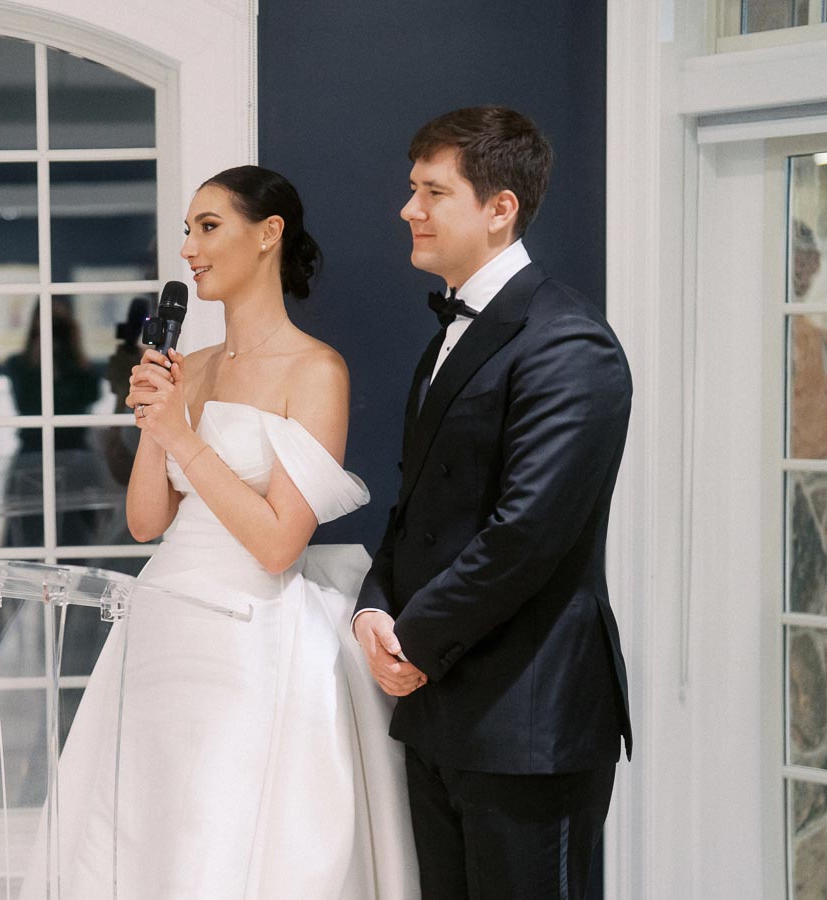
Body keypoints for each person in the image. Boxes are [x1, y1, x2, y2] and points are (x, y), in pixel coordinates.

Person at [18, 166, 418, 900]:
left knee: (219, 830)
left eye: (208, 227)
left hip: (248, 635)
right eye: (187, 231)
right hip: (162, 621)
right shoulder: (188, 366)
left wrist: (182, 436)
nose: (190, 249)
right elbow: (146, 523)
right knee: (141, 831)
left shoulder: (316, 369)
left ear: (269, 235)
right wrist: (154, 421)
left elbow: (277, 544)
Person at [352, 107, 633, 899]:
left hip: (529, 718)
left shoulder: (569, 341)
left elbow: (527, 534)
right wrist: (373, 608)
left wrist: (412, 639)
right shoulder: (451, 331)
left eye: (432, 192)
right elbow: (417, 509)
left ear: (499, 207)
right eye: (413, 189)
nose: (409, 209)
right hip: (442, 710)